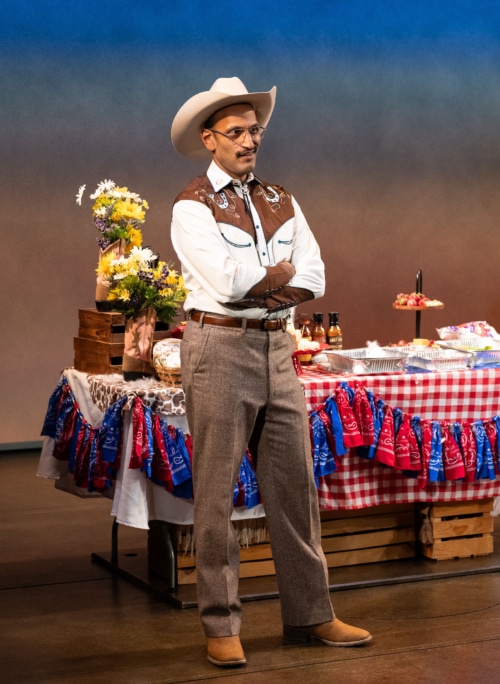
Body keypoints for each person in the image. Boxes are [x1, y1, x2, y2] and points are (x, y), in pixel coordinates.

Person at [170, 77, 371, 668]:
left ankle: (311, 615)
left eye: (254, 130)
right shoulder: (191, 205)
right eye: (236, 132)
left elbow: (316, 276)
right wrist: (278, 278)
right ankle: (220, 623)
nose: (249, 141)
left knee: (295, 488)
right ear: (210, 140)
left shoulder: (283, 196)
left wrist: (272, 278)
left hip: (275, 348)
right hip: (219, 348)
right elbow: (228, 287)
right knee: (215, 493)